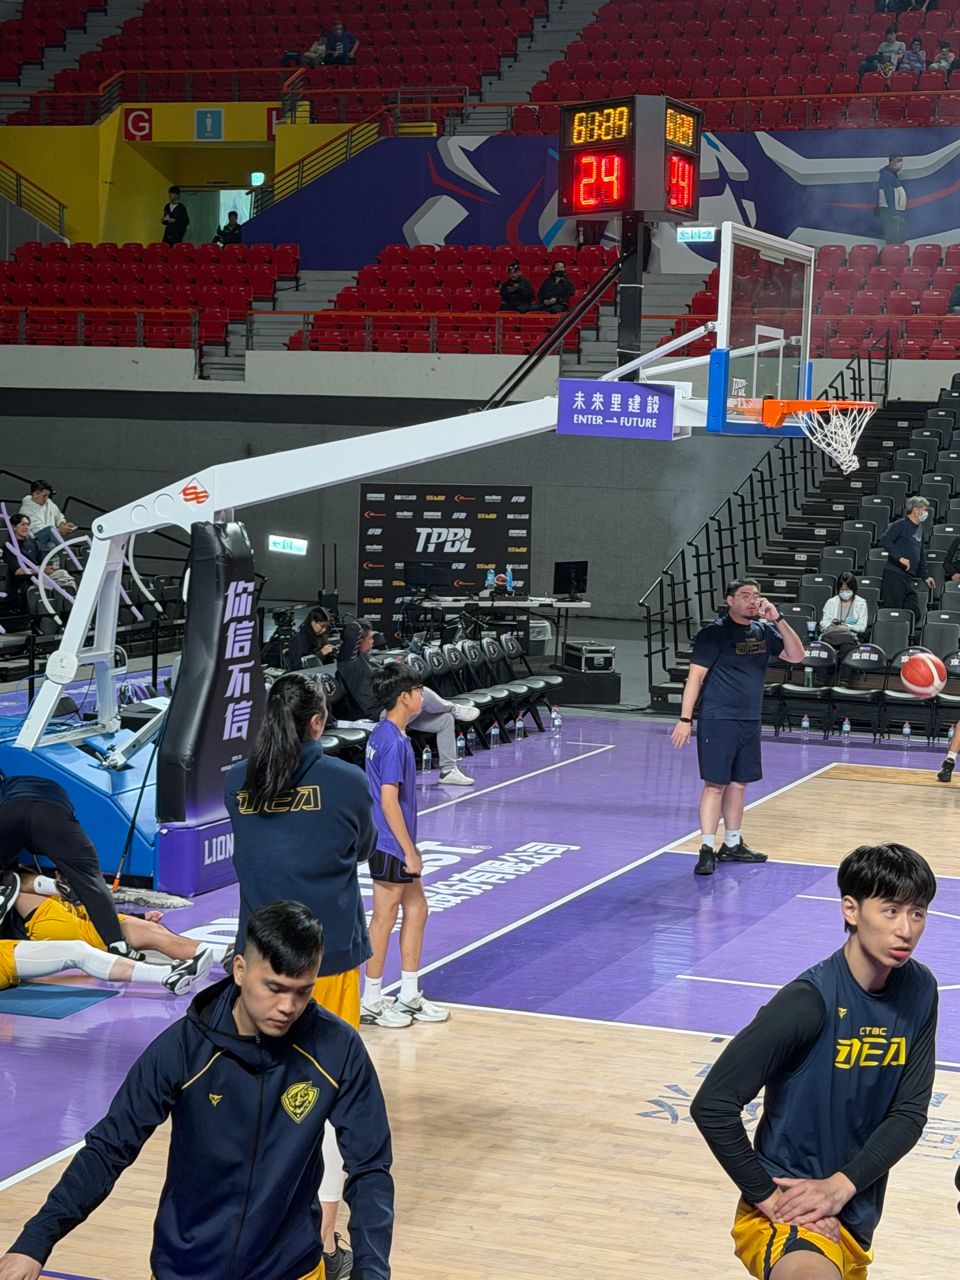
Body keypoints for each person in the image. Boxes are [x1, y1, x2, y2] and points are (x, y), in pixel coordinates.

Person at [0, 901, 394, 1280]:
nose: (288, 1006)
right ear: (239, 969)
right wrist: (35, 1241)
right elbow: (110, 1147)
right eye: (274, 988)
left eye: (302, 991)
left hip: (292, 1270)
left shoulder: (336, 1048)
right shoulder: (183, 1049)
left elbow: (370, 1168)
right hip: (186, 1269)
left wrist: (372, 1271)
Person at [691, 841, 938, 1280]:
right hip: (791, 1216)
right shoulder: (808, 1002)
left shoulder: (919, 990)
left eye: (917, 913)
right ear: (851, 910)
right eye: (890, 910)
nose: (906, 929)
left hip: (852, 1212)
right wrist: (768, 1198)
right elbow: (713, 1104)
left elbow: (908, 1113)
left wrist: (842, 1186)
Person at [224, 673, 378, 1280]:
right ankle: (321, 1238)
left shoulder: (235, 781)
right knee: (324, 1095)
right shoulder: (345, 780)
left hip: (256, 967)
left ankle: (255, 1226)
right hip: (324, 962)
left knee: (261, 1095)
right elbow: (361, 848)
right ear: (318, 722)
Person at [671, 577, 805, 877]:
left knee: (739, 783)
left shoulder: (763, 631)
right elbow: (695, 678)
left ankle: (732, 843)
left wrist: (779, 619)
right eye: (745, 595)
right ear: (729, 601)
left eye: (755, 595)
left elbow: (797, 656)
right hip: (718, 718)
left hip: (749, 718)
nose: (752, 600)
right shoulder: (714, 633)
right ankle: (706, 848)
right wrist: (685, 719)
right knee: (715, 785)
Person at [361, 664, 450, 1030]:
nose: (421, 695)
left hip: (394, 840)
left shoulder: (387, 733)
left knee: (417, 908)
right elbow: (388, 801)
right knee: (384, 918)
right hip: (388, 842)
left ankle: (409, 994)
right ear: (404, 697)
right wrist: (408, 850)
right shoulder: (393, 743)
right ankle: (371, 1000)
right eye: (417, 690)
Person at [0, 772, 137, 959]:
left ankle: (10, 888)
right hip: (53, 815)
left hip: (11, 812)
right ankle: (117, 944)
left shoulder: (7, 788)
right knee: (90, 881)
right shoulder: (53, 788)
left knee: (8, 872)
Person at [1, 867, 221, 975]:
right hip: (50, 920)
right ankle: (224, 957)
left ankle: (221, 956)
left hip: (64, 913)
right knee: (153, 934)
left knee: (155, 932)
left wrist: (137, 916)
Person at [337, 620, 477, 786]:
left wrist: (393, 666)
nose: (373, 641)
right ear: (359, 640)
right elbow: (352, 630)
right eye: (369, 638)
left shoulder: (367, 657)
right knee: (419, 692)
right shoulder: (348, 661)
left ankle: (448, 771)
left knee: (445, 720)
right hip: (381, 714)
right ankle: (453, 708)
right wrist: (361, 626)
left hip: (395, 707)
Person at [3, 513, 77, 610]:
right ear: (14, 527)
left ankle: (70, 607)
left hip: (40, 576)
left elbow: (41, 562)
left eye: (28, 525)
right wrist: (41, 570)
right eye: (23, 524)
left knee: (64, 577)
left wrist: (48, 568)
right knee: (62, 579)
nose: (26, 527)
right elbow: (18, 571)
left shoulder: (33, 542)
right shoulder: (9, 546)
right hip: (27, 581)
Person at [879, 495, 936, 622]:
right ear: (915, 510)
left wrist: (925, 576)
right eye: (924, 510)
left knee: (913, 612)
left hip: (908, 577)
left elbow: (921, 553)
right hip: (894, 575)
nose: (925, 513)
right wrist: (899, 558)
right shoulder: (900, 524)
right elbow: (885, 540)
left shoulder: (920, 528)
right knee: (895, 614)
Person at [819, 571, 870, 663]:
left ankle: (843, 673)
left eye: (848, 589)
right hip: (831, 635)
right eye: (842, 590)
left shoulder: (861, 603)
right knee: (825, 649)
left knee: (846, 649)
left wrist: (846, 626)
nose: (845, 592)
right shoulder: (831, 602)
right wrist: (833, 626)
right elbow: (823, 622)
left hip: (849, 637)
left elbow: (862, 627)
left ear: (854, 589)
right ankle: (824, 673)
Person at [18, 479, 76, 557]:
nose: (47, 498)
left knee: (50, 546)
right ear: (35, 494)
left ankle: (65, 558)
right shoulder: (25, 510)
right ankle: (69, 554)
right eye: (44, 496)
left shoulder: (49, 503)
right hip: (34, 540)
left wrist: (63, 524)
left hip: (49, 540)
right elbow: (37, 530)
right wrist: (58, 531)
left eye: (48, 495)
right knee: (50, 530)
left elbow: (59, 516)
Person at [284, 606, 338, 670]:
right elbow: (298, 666)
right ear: (312, 621)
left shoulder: (320, 636)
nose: (324, 630)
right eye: (322, 626)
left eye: (326, 626)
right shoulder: (298, 640)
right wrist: (321, 654)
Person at [875, 155, 907, 245]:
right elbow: (889, 194)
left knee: (896, 239)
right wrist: (892, 212)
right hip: (890, 212)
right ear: (891, 162)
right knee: (893, 239)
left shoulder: (892, 175)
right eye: (898, 161)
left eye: (901, 161)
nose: (901, 163)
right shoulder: (887, 176)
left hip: (894, 211)